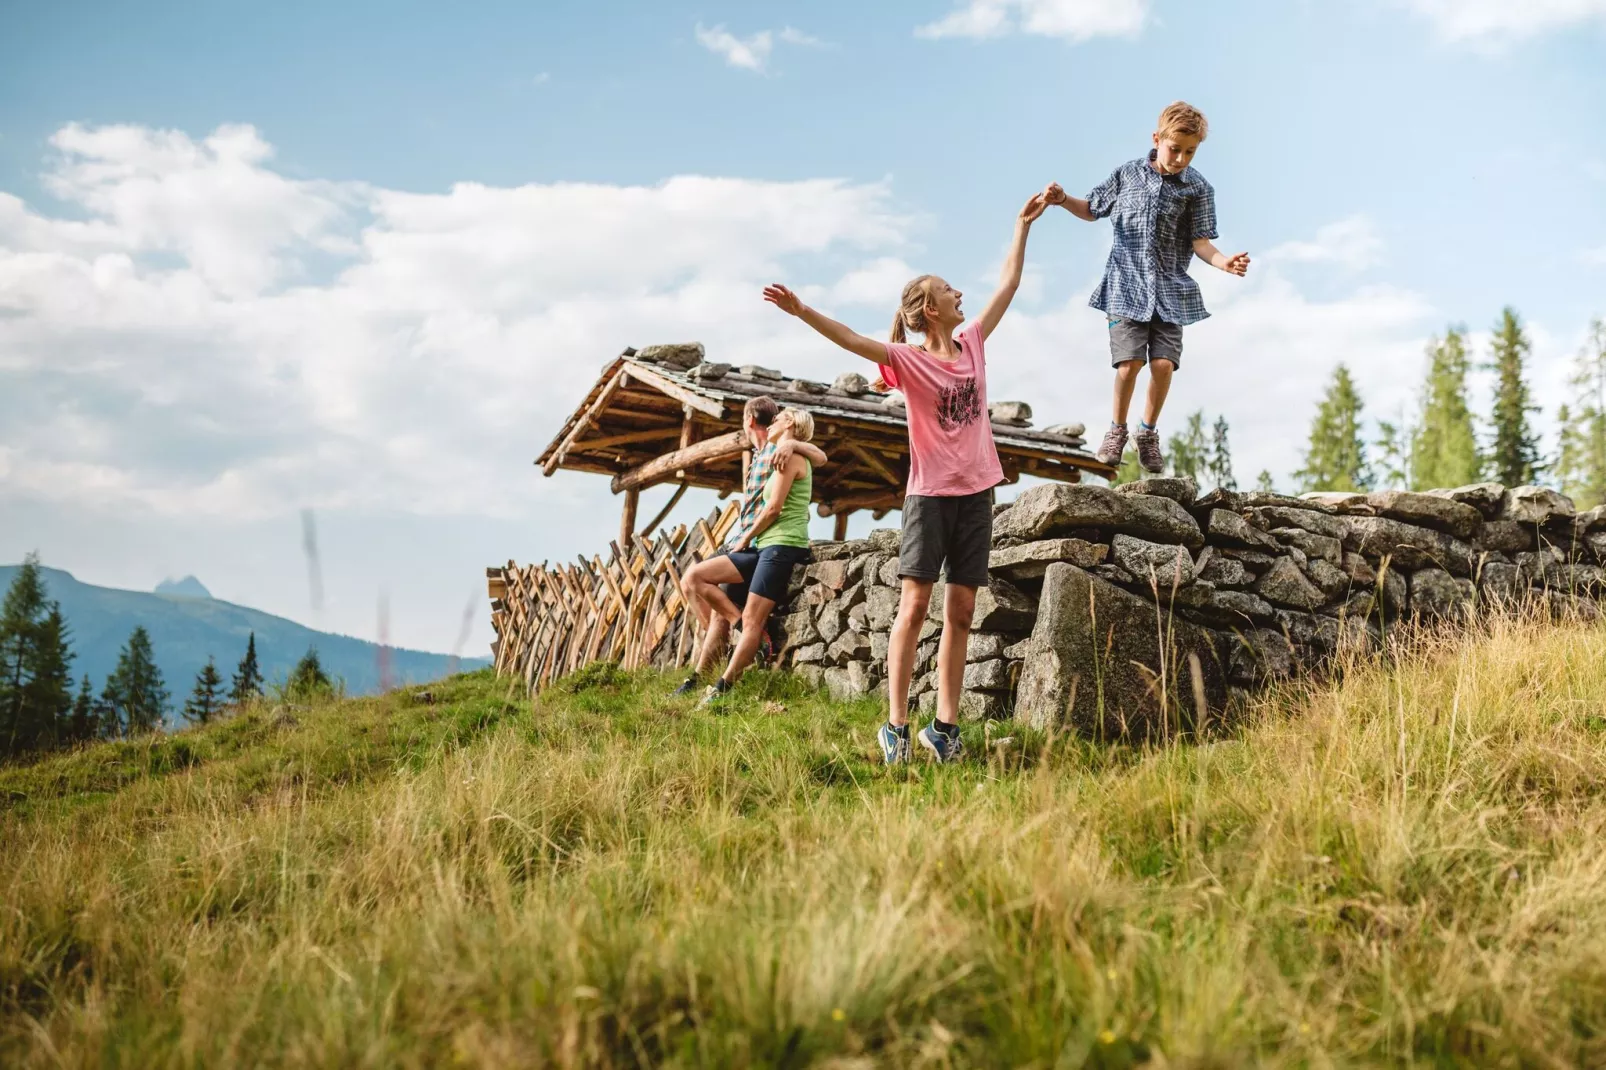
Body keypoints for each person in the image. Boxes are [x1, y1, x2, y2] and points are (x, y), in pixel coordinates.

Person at [762, 192, 1047, 764]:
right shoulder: (908, 360)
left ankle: (944, 728)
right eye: (949, 289)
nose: (960, 293)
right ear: (930, 308)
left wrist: (1020, 225)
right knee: (915, 605)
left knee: (962, 612)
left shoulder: (972, 344)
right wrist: (801, 311)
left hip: (976, 494)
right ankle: (895, 725)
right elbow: (849, 338)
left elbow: (1009, 286)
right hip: (930, 496)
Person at [1041, 101, 1251, 474]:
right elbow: (1092, 209)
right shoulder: (1127, 175)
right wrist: (1062, 200)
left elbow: (1202, 242)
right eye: (1175, 149)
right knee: (1129, 364)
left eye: (1190, 152)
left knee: (1164, 364)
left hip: (1171, 291)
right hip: (1125, 286)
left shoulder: (1198, 189)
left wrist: (1224, 263)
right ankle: (1117, 430)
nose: (1181, 158)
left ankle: (1147, 433)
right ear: (1157, 139)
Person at [675, 396, 826, 696]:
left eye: (780, 419)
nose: (774, 424)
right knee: (702, 590)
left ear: (748, 421)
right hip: (753, 541)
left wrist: (792, 443)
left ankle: (720, 681)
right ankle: (701, 676)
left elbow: (818, 458)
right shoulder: (762, 454)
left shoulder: (780, 450)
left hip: (761, 542)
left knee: (736, 612)